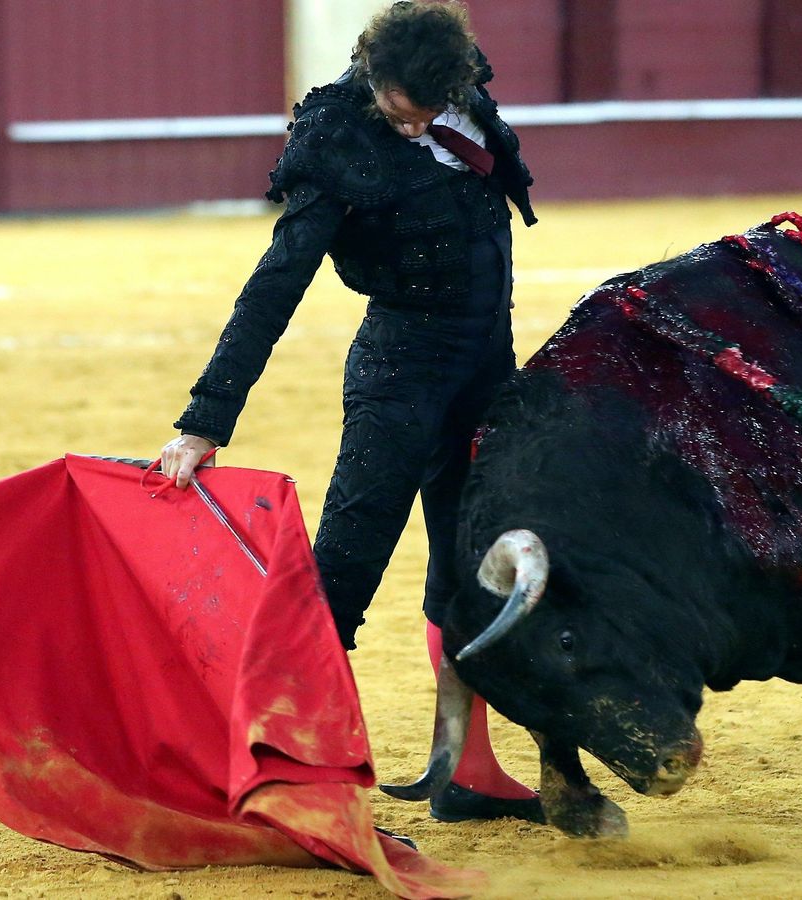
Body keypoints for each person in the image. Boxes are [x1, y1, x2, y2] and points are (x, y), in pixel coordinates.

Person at [159, 1, 541, 824]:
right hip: (399, 375)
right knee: (343, 572)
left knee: (470, 566)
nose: (414, 126)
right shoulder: (336, 135)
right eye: (400, 110)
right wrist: (206, 418)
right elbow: (277, 282)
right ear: (373, 75)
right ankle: (284, 777)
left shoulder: (465, 101)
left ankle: (468, 770)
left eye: (427, 110)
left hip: (486, 370)